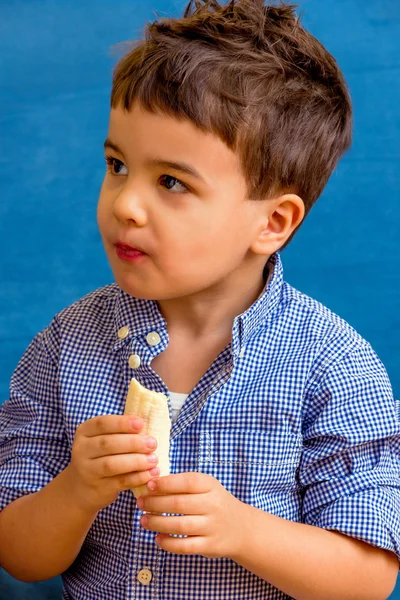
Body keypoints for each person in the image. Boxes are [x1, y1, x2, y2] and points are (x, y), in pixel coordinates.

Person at [0, 1, 399, 598]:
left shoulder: (333, 367)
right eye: (117, 165)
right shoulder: (65, 347)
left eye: (170, 182)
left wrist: (245, 532)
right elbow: (17, 556)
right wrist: (75, 492)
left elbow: (370, 578)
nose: (125, 204)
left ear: (272, 223)